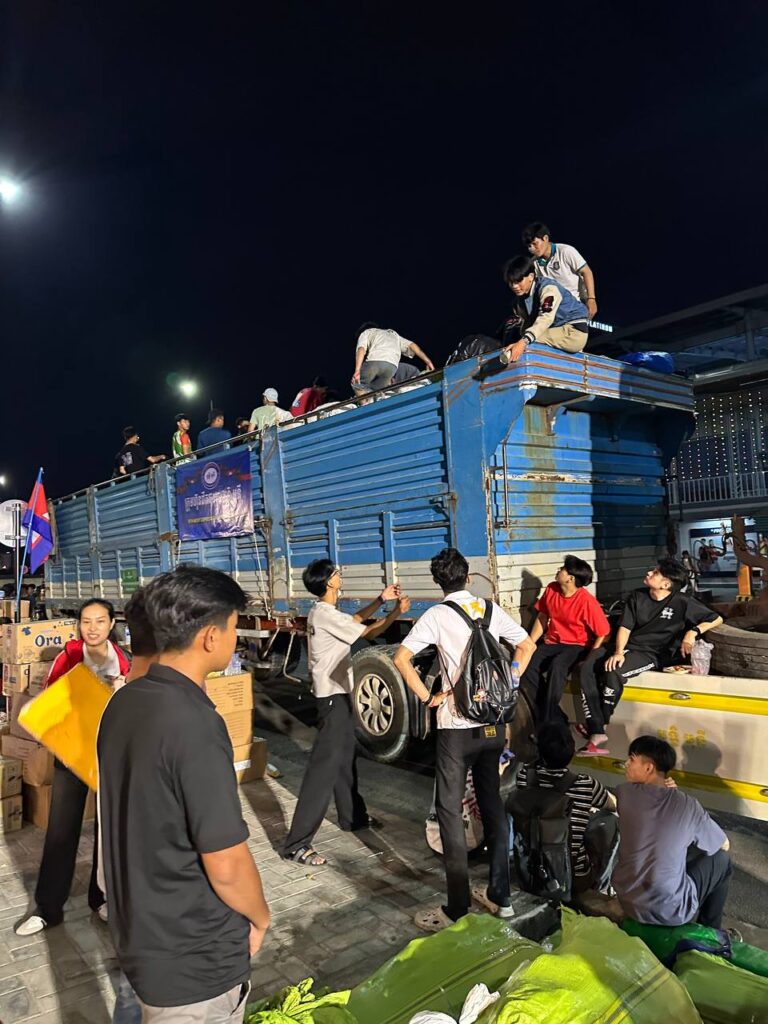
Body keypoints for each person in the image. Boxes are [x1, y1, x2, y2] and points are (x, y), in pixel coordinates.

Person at [98, 566, 270, 1021]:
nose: (236, 639)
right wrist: (261, 916)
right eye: (233, 628)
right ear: (210, 637)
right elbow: (226, 862)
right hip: (194, 959)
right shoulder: (194, 723)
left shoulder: (125, 701)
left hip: (141, 936)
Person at [394, 548, 535, 931]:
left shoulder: (437, 615)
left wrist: (428, 697)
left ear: (438, 582)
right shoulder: (489, 609)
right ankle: (501, 897)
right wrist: (510, 680)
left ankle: (456, 909)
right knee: (492, 803)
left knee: (450, 812)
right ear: (468, 577)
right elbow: (526, 645)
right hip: (492, 725)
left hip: (455, 729)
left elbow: (401, 659)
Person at [15, 599, 131, 936]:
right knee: (61, 831)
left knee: (107, 831)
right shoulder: (68, 656)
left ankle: (102, 898)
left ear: (111, 624)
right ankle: (47, 909)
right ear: (79, 624)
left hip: (108, 755)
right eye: (86, 621)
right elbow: (50, 702)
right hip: (71, 754)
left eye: (100, 621)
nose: (92, 628)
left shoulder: (123, 660)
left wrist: (120, 691)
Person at [282, 561, 409, 866]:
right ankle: (297, 843)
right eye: (337, 574)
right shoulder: (325, 615)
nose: (341, 576)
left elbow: (354, 619)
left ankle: (352, 817)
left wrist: (380, 600)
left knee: (344, 760)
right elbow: (370, 631)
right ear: (329, 582)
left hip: (336, 696)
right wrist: (396, 612)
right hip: (332, 699)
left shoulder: (322, 611)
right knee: (323, 770)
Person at [578, 559, 723, 755]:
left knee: (614, 672)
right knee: (587, 666)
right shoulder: (637, 596)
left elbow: (716, 618)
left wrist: (693, 632)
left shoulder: (682, 602)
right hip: (626, 646)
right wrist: (618, 652)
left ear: (666, 584)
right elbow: (625, 627)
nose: (649, 573)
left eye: (655, 572)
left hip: (651, 653)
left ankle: (599, 727)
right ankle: (596, 727)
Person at [613, 736, 732, 928]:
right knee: (722, 860)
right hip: (671, 910)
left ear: (648, 768)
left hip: (628, 901)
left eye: (631, 760)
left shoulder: (624, 793)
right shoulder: (687, 805)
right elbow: (723, 844)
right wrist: (675, 794)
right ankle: (711, 930)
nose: (626, 764)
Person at [515, 722, 617, 894]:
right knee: (610, 821)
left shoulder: (525, 777)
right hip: (574, 878)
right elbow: (613, 805)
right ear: (571, 751)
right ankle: (604, 887)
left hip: (532, 873)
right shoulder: (585, 783)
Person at [523, 556, 610, 726]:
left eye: (562, 569)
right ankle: (551, 710)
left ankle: (548, 717)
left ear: (570, 578)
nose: (559, 570)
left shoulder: (586, 601)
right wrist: (530, 644)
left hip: (577, 645)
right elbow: (543, 616)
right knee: (527, 664)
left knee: (558, 666)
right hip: (553, 642)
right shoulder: (551, 589)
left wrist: (590, 658)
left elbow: (604, 633)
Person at [500, 255, 590, 364]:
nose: (514, 286)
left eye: (518, 281)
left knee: (529, 341)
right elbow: (527, 325)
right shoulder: (521, 300)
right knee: (523, 337)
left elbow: (546, 318)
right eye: (511, 282)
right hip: (556, 331)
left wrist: (522, 342)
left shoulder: (548, 288)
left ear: (531, 276)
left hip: (574, 332)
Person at [521, 222, 598, 320]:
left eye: (535, 244)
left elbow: (586, 272)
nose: (532, 249)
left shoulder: (566, 251)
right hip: (554, 311)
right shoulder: (534, 263)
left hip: (575, 306)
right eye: (529, 246)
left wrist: (591, 299)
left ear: (545, 238)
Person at [352, 323, 435, 394]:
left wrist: (357, 370)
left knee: (357, 384)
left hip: (375, 360)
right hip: (392, 367)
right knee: (375, 391)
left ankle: (365, 404)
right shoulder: (394, 335)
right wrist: (428, 361)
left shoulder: (366, 332)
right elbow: (412, 345)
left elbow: (361, 349)